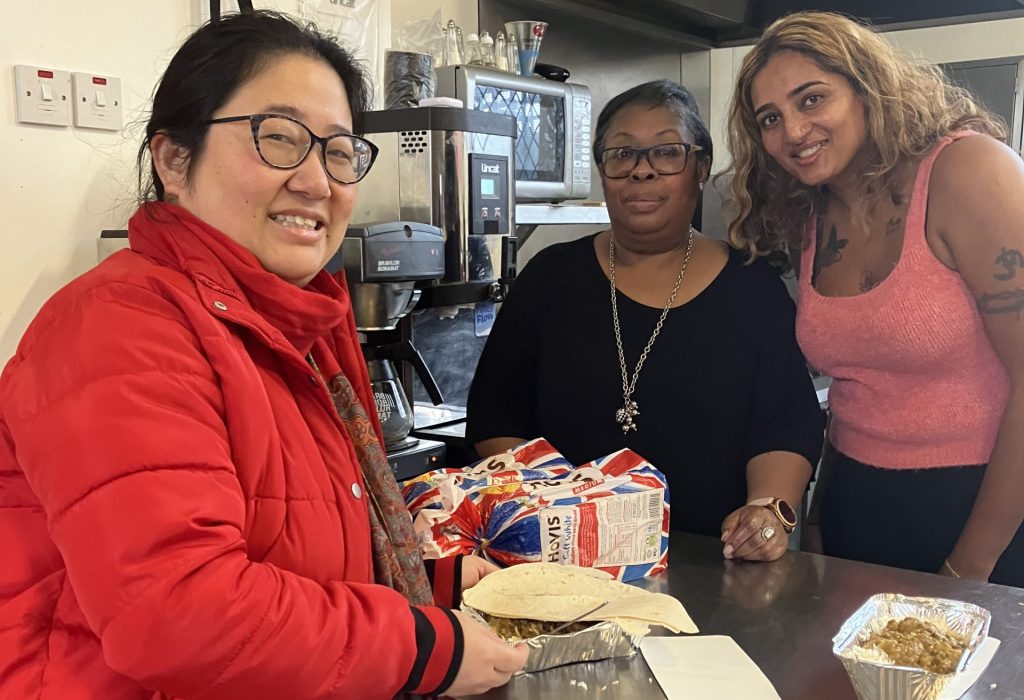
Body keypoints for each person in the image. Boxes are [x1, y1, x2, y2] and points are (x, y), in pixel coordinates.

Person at [0, 11, 527, 698]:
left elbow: (289, 549)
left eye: (339, 153)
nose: (317, 182)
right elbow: (178, 615)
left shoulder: (301, 328)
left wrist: (419, 580)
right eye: (278, 138)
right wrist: (424, 645)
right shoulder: (118, 326)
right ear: (173, 159)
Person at [466, 80, 825, 563]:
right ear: (603, 171)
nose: (642, 171)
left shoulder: (752, 288)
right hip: (563, 562)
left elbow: (786, 424)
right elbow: (495, 413)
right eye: (622, 154)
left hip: (717, 560)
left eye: (667, 152)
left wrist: (765, 509)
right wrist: (561, 510)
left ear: (700, 168)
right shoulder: (551, 278)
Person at [725, 11, 1024, 586]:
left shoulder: (966, 171)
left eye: (811, 100)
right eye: (770, 118)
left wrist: (969, 568)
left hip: (985, 509)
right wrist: (818, 523)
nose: (792, 132)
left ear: (868, 89)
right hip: (858, 509)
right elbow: (855, 389)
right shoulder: (814, 212)